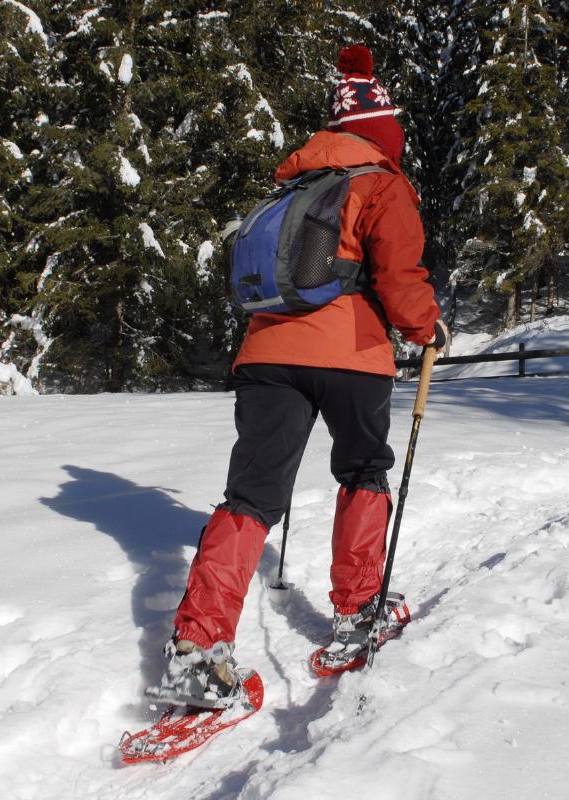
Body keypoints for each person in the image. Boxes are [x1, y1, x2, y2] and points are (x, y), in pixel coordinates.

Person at [153, 44, 447, 706]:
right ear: (383, 133)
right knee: (364, 471)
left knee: (250, 496)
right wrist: (427, 329)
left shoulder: (290, 187)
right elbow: (401, 282)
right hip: (350, 352)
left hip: (265, 354)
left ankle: (198, 648)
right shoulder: (382, 183)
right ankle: (357, 608)